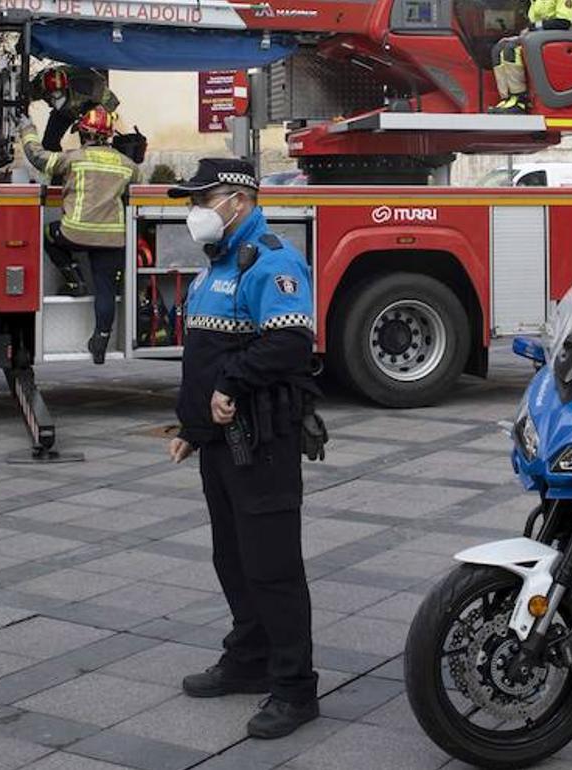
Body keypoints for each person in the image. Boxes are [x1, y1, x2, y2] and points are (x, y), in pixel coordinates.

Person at [166, 158, 323, 740]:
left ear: (236, 198)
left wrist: (231, 387)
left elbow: (289, 343)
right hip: (222, 442)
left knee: (272, 565)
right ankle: (250, 658)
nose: (195, 211)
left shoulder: (272, 259)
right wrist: (191, 427)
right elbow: (207, 356)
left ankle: (294, 687)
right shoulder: (218, 264)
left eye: (201, 199)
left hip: (262, 439)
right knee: (231, 557)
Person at [20, 106, 146, 364]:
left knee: (49, 234)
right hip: (113, 238)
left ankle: (74, 279)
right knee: (106, 289)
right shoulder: (128, 166)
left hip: (74, 233)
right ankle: (100, 340)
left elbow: (38, 157)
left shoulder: (73, 158)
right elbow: (137, 192)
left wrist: (27, 129)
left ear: (84, 134)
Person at [488, 0, 572, 114]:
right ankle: (508, 98)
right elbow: (532, 26)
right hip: (538, 38)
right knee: (499, 48)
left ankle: (520, 101)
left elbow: (564, 23)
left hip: (558, 39)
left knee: (511, 49)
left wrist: (533, 27)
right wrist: (520, 36)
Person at [30, 66, 121, 152]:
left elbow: (112, 102)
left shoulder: (91, 88)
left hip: (88, 110)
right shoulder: (40, 85)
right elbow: (26, 95)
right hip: (64, 112)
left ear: (66, 87)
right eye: (50, 96)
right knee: (49, 143)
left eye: (58, 95)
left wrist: (103, 116)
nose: (54, 100)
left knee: (92, 141)